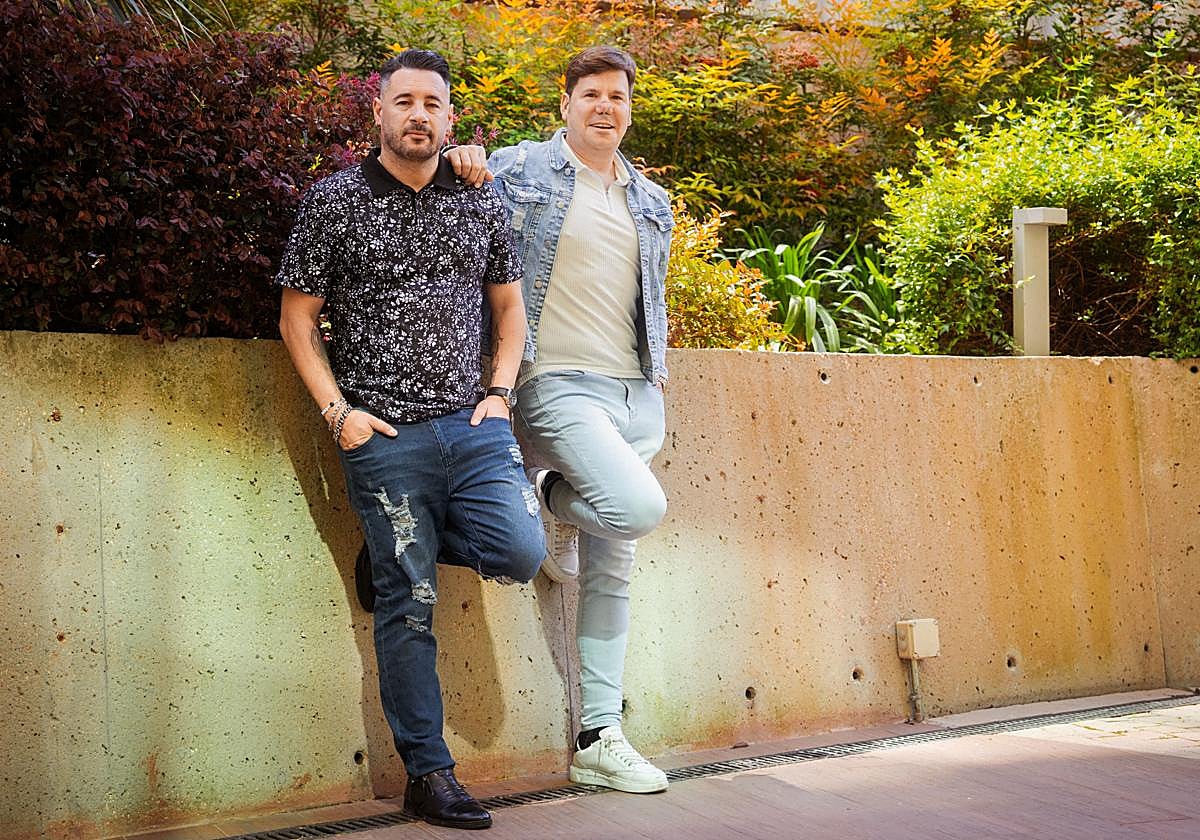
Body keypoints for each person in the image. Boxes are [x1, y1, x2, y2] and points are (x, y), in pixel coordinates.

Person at [276, 48, 544, 831]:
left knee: (521, 552)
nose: (418, 115)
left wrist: (500, 393)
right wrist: (340, 415)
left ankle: (400, 547)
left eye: (432, 103)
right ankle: (429, 774)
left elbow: (509, 309)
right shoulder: (335, 201)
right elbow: (297, 318)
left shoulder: (479, 196)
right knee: (410, 603)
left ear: (450, 117)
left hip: (474, 426)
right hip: (384, 435)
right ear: (378, 112)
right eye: (404, 102)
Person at [448, 45, 674, 794]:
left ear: (629, 110)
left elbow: (647, 303)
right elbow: (452, 183)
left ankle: (599, 737)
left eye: (618, 97)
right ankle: (547, 494)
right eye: (591, 95)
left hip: (636, 392)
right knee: (636, 509)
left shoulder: (651, 201)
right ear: (567, 105)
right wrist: (461, 155)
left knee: (615, 565)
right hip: (553, 382)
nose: (605, 107)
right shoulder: (520, 169)